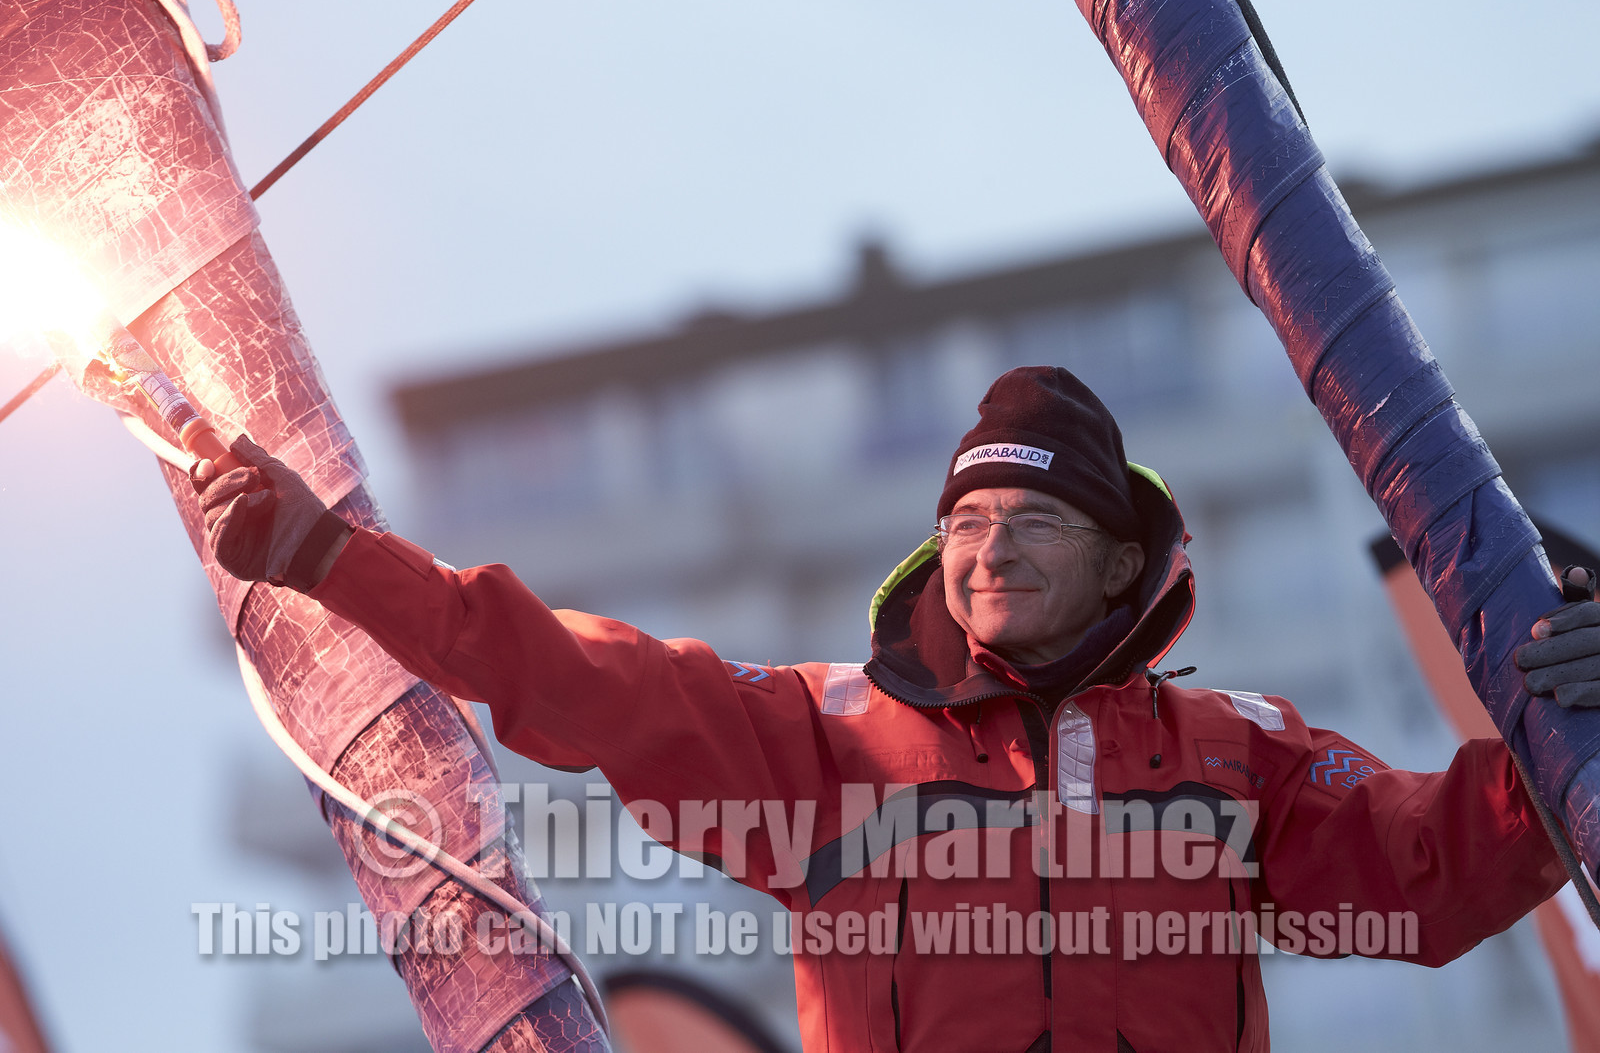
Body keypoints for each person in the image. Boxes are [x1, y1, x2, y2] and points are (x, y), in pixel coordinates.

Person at [195, 365, 1596, 1052]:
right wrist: (330, 554)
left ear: (1122, 560)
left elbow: (1428, 872)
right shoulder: (827, 740)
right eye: (970, 518)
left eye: (1034, 517)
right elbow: (573, 674)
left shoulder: (1233, 751)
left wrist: (1566, 743)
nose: (989, 550)